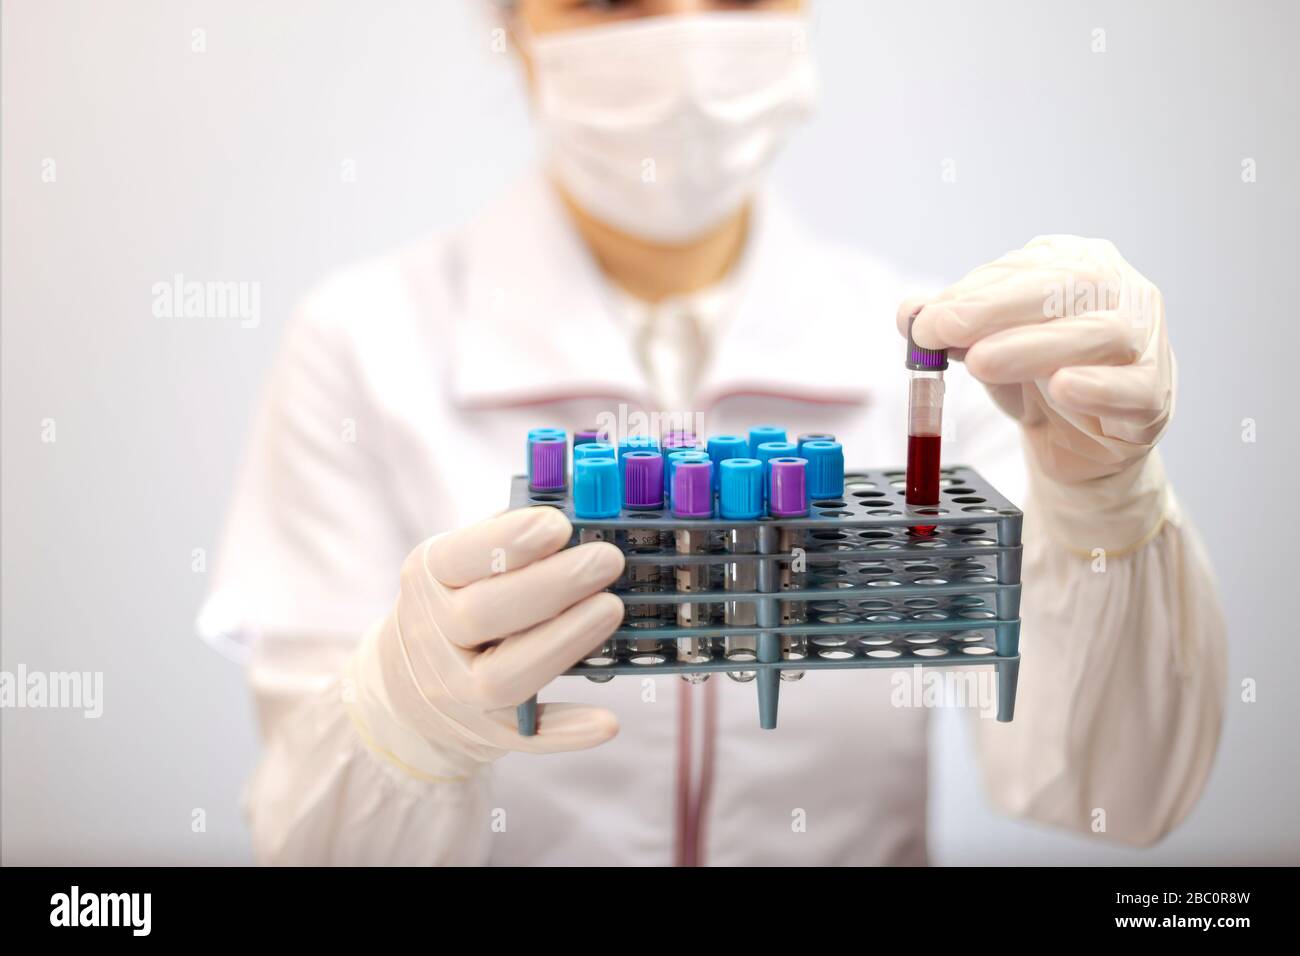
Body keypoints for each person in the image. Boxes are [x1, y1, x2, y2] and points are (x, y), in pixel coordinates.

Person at [198, 0, 1226, 865]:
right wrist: (398, 724)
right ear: (509, 25)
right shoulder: (365, 347)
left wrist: (1106, 509)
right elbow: (308, 841)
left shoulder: (956, 354)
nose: (684, 40)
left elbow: (1116, 791)